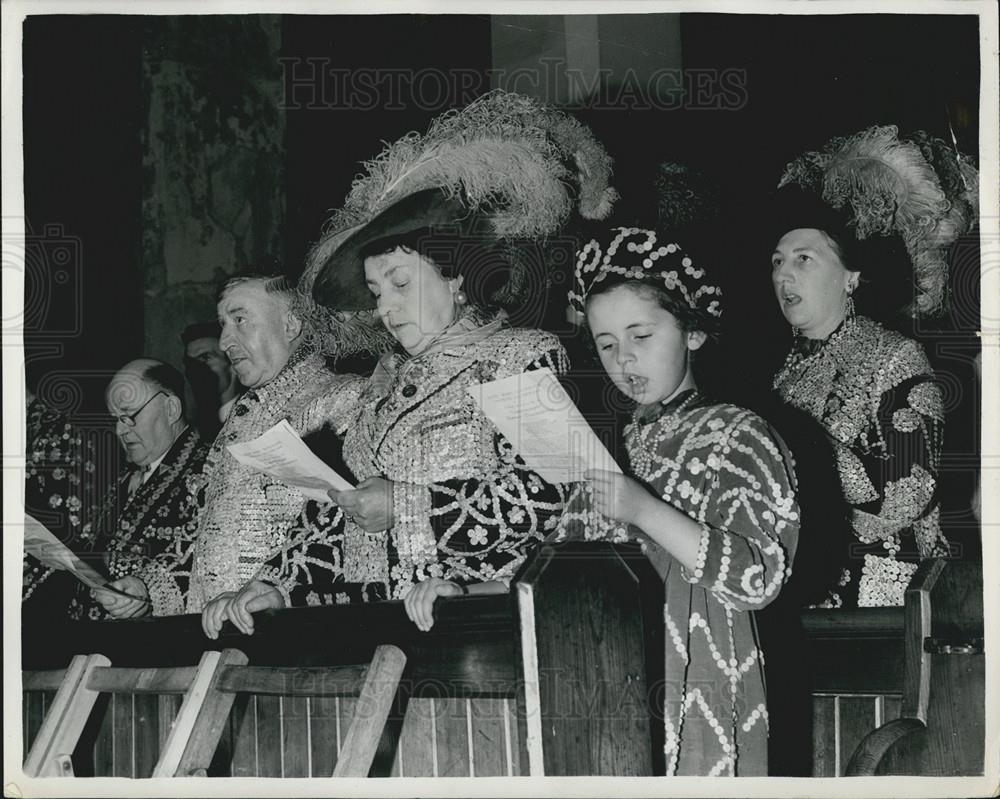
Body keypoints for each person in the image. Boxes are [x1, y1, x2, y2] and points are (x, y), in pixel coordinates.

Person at [201, 90, 619, 637]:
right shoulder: (381, 391)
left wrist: (408, 505)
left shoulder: (516, 357)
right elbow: (341, 510)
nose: (385, 307)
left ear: (456, 277)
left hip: (481, 623)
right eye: (376, 292)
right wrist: (277, 580)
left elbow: (556, 497)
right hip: (376, 629)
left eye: (400, 283)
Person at [555, 227, 800, 776]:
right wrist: (468, 589)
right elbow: (556, 575)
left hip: (699, 684)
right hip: (605, 689)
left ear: (691, 333)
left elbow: (756, 578)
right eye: (606, 343)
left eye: (640, 335)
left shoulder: (738, 434)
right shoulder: (610, 454)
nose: (623, 359)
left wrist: (642, 510)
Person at [768, 125, 978, 608]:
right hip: (798, 581)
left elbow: (910, 489)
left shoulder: (894, 355)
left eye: (804, 259)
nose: (784, 274)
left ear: (852, 277)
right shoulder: (782, 374)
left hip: (881, 589)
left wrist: (801, 447)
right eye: (777, 262)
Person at [83, 359, 210, 619]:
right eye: (116, 419)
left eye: (129, 416)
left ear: (171, 408)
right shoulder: (124, 477)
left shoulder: (210, 468)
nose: (120, 430)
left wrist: (146, 588)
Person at [181, 321, 241, 437]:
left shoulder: (257, 415)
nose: (196, 368)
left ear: (233, 364)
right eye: (190, 362)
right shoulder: (193, 429)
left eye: (205, 357)